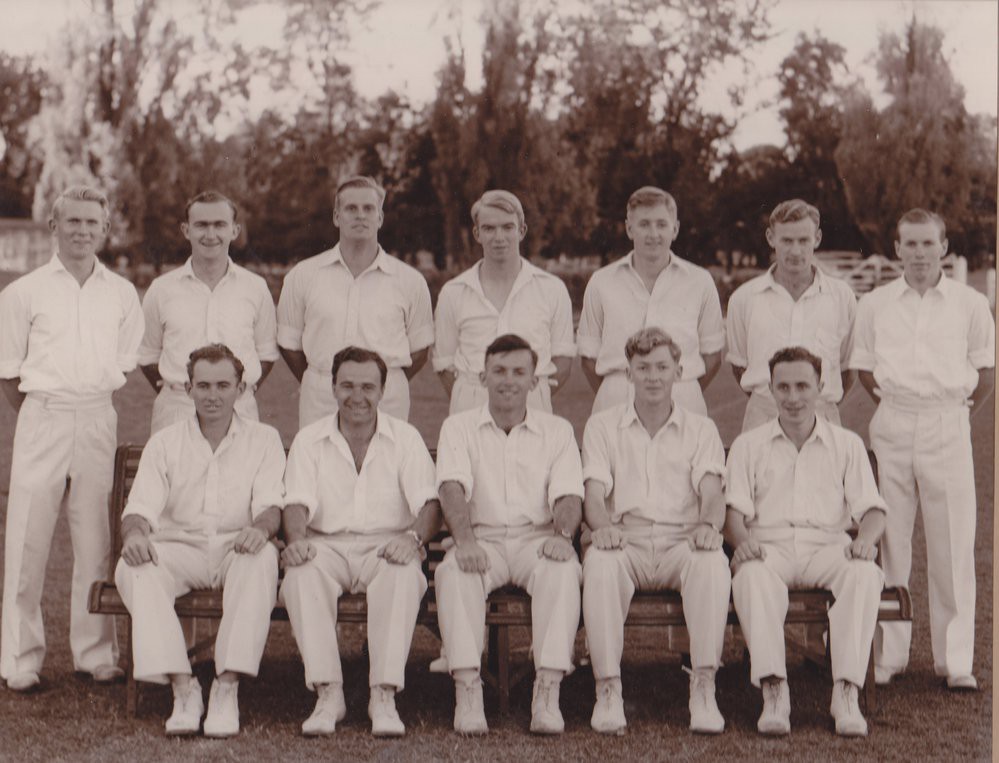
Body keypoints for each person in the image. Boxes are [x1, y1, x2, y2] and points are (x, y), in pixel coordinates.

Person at [0, 186, 143, 691]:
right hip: (43, 415)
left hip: (97, 418)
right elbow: (7, 372)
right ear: (54, 227)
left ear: (104, 229)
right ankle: (20, 658)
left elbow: (123, 362)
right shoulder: (23, 293)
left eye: (92, 222)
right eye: (73, 221)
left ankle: (96, 652)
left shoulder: (122, 294)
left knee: (95, 540)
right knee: (27, 537)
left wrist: (82, 411)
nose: (83, 231)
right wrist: (46, 411)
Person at [850, 209, 995, 690]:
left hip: (947, 424)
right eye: (908, 244)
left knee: (952, 542)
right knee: (889, 541)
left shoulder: (970, 304)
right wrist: (896, 407)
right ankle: (889, 657)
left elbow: (985, 371)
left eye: (927, 244)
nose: (917, 254)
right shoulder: (874, 304)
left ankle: (954, 663)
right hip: (892, 419)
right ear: (896, 249)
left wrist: (950, 416)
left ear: (944, 247)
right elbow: (865, 369)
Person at [114, 343, 285, 737]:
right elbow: (139, 508)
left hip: (236, 546)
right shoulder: (165, 443)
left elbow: (271, 507)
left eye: (223, 385)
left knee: (261, 561)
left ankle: (227, 687)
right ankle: (183, 687)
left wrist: (259, 530)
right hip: (180, 549)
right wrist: (136, 534)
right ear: (188, 388)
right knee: (133, 569)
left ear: (241, 389)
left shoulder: (264, 439)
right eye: (203, 385)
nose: (213, 395)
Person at [724, 346, 887, 737]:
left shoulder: (846, 443)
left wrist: (865, 539)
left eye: (802, 386)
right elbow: (733, 514)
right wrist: (742, 542)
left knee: (864, 574)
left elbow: (874, 511)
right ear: (771, 389)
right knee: (751, 576)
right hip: (770, 545)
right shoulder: (749, 444)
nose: (793, 397)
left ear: (820, 387)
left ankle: (846, 691)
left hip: (827, 546)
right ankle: (774, 690)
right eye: (783, 387)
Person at [280, 346, 442, 737]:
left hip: (386, 544)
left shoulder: (405, 438)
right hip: (326, 545)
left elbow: (429, 503)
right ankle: (328, 692)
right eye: (347, 385)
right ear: (332, 387)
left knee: (402, 572)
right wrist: (298, 540)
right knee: (301, 573)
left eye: (368, 386)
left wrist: (413, 538)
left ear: (383, 390)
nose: (357, 396)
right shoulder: (308, 440)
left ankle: (382, 694)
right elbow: (296, 503)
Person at [581, 328, 730, 735]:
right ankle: (607, 689)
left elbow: (712, 491)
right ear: (627, 373)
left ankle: (703, 686)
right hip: (625, 538)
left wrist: (707, 525)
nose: (652, 376)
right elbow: (594, 494)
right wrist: (602, 528)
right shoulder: (601, 426)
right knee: (599, 564)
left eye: (662, 367)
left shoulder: (702, 430)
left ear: (679, 371)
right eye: (642, 367)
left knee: (712, 564)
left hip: (681, 539)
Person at [434, 334, 584, 735]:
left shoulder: (557, 430)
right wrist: (464, 541)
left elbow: (569, 492)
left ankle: (547, 689)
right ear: (482, 377)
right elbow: (451, 487)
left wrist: (563, 535)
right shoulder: (458, 427)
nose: (508, 380)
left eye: (519, 372)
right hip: (482, 539)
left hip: (536, 539)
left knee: (562, 570)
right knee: (454, 572)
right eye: (499, 371)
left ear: (535, 381)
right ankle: (467, 689)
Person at [276, 176, 434, 428]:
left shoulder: (410, 280)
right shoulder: (303, 275)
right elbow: (289, 344)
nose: (360, 215)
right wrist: (324, 379)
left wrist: (382, 382)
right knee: (321, 466)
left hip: (387, 401)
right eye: (351, 208)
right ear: (337, 217)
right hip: (321, 399)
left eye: (368, 209)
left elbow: (420, 349)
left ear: (380, 218)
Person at [139, 191, 278, 433]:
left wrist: (236, 391)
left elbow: (266, 352)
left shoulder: (255, 287)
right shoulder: (162, 289)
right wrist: (181, 391)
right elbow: (148, 355)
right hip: (177, 411)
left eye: (219, 225)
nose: (210, 234)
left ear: (234, 231)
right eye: (201, 225)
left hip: (240, 411)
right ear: (186, 230)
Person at [577, 186, 724, 415]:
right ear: (629, 228)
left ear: (674, 229)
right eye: (644, 224)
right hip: (616, 399)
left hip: (682, 397)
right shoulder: (601, 282)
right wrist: (618, 392)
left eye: (661, 224)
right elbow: (588, 357)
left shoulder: (700, 281)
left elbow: (713, 356)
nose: (653, 233)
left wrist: (676, 390)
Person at [433, 190, 575, 414]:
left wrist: (520, 397)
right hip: (470, 412)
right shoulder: (453, 292)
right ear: (477, 233)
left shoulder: (551, 289)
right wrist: (476, 398)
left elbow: (563, 363)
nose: (499, 237)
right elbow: (444, 365)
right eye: (489, 228)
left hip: (533, 409)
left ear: (522, 231)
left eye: (507, 227)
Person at [726, 199, 856, 431]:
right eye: (786, 240)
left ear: (817, 239)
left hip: (824, 420)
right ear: (770, 238)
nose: (795, 250)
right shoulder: (744, 298)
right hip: (762, 419)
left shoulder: (842, 296)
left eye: (803, 240)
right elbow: (740, 367)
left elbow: (847, 369)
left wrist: (813, 403)